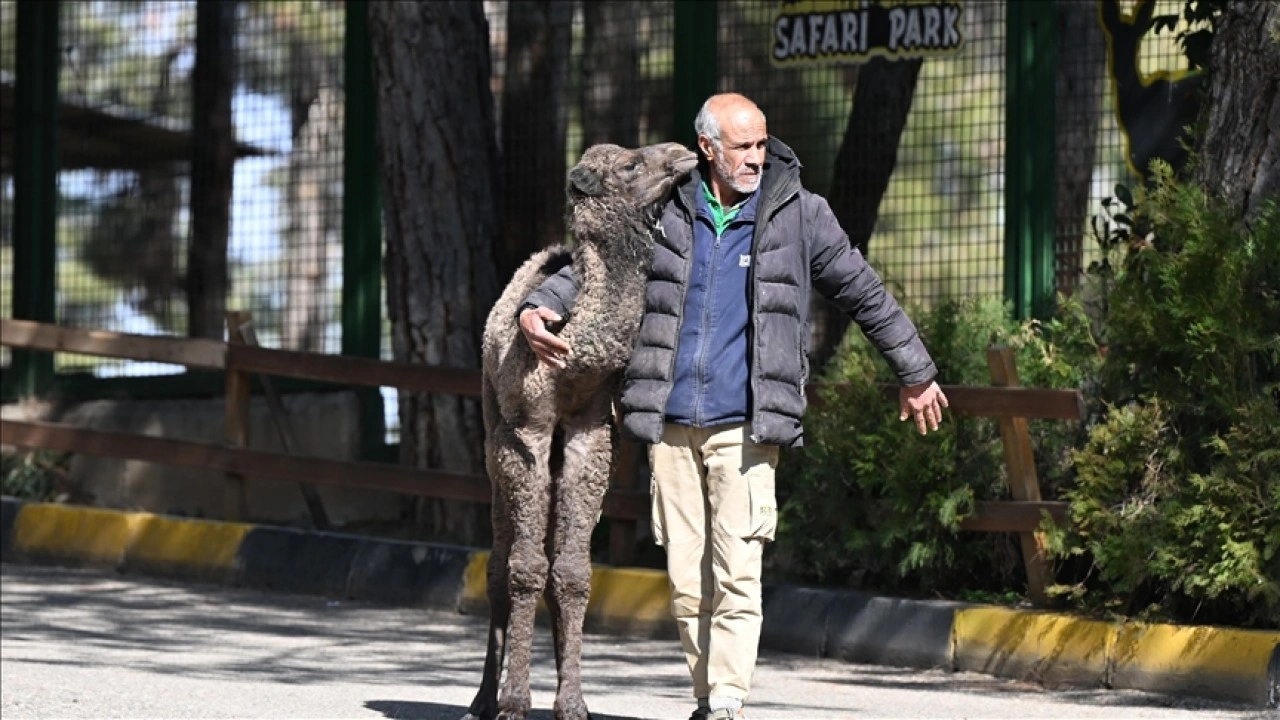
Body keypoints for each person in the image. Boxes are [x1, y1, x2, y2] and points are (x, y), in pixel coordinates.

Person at [517, 93, 948, 720]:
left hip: (747, 424)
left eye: (761, 142)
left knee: (738, 571)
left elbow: (864, 291)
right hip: (669, 423)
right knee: (689, 584)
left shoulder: (800, 214)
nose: (756, 156)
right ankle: (704, 697)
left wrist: (915, 370)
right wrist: (540, 302)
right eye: (742, 146)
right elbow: (598, 264)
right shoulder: (665, 209)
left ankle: (726, 703)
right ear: (707, 150)